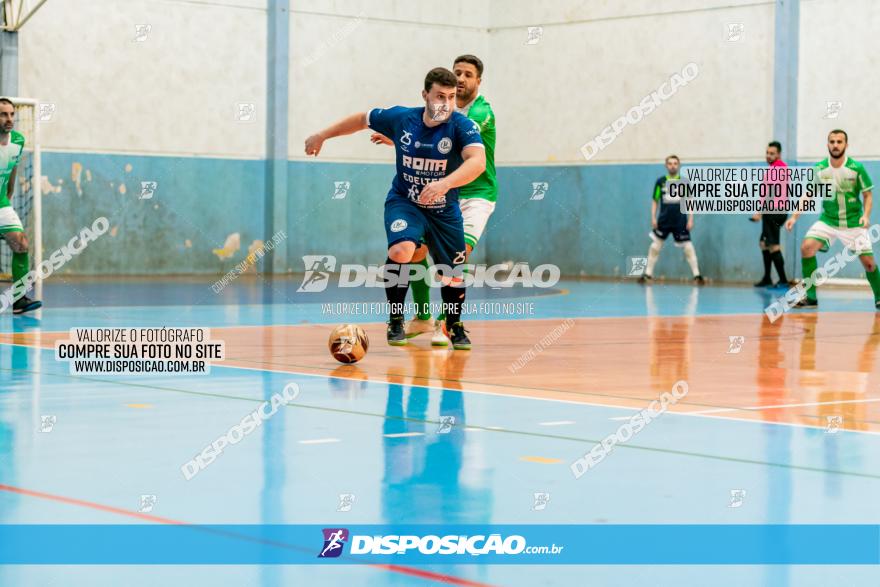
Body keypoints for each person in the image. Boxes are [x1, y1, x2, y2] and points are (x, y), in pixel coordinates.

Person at [305, 68, 486, 348]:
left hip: (444, 209)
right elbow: (363, 119)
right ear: (425, 95)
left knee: (451, 274)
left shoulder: (462, 126)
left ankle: (454, 324)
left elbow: (477, 162)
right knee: (402, 251)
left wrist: (444, 184)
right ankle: (396, 320)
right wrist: (322, 135)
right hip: (405, 202)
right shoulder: (403, 118)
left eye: (451, 97)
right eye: (440, 96)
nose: (446, 104)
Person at [372, 55, 497, 347]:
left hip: (474, 193)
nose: (463, 78)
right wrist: (402, 136)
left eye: (468, 74)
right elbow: (427, 128)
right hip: (436, 194)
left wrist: (407, 137)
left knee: (457, 258)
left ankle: (448, 322)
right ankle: (421, 316)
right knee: (412, 251)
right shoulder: (436, 109)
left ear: (479, 81)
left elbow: (454, 137)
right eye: (458, 73)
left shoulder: (477, 113)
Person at [785, 129, 880, 308]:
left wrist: (866, 216)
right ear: (827, 144)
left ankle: (879, 296)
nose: (835, 145)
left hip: (853, 223)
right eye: (832, 141)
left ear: (846, 145)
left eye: (839, 142)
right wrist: (794, 217)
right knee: (806, 247)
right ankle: (810, 296)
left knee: (869, 264)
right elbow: (808, 194)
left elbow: (868, 195)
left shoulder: (856, 168)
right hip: (828, 221)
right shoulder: (820, 169)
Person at [0, 98, 41, 314]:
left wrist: (9, 191)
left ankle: (18, 300)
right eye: (3, 115)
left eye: (11, 114)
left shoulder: (17, 140)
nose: (8, 119)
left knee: (22, 244)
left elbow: (13, 166)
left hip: (2, 205)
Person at [638, 155, 705, 284]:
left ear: (678, 165)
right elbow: (655, 200)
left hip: (680, 221)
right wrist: (653, 217)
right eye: (670, 163)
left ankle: (697, 275)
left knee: (688, 247)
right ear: (666, 165)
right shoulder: (660, 182)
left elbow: (690, 201)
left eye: (675, 163)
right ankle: (648, 274)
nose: (673, 165)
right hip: (663, 220)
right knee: (654, 246)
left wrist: (691, 219)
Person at [751, 141, 790, 287]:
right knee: (764, 243)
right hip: (776, 211)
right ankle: (767, 277)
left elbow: (768, 193)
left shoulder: (775, 169)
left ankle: (783, 280)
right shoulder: (781, 168)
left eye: (772, 153)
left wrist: (758, 212)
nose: (768, 155)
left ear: (779, 154)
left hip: (773, 212)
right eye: (767, 153)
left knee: (773, 245)